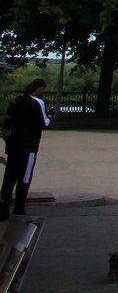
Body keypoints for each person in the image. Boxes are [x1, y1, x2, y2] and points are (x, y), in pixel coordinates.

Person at [0, 78, 50, 219]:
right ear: (40, 88)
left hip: (13, 145)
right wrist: (50, 116)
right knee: (25, 177)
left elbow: (5, 122)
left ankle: (3, 209)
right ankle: (19, 208)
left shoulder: (15, 101)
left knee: (9, 178)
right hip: (29, 147)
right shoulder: (38, 102)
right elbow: (44, 123)